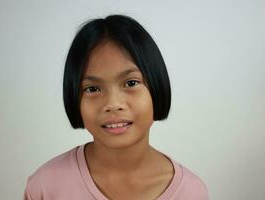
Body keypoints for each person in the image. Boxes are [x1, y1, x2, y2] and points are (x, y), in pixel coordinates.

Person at [24, 14, 209, 200]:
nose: (113, 104)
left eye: (130, 83)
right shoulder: (45, 186)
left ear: (156, 85)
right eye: (93, 88)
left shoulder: (192, 192)